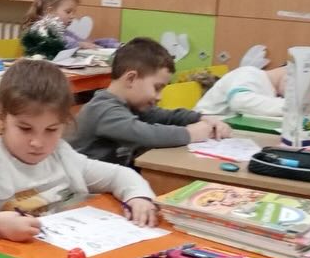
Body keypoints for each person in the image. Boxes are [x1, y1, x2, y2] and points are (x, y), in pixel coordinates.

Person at [0, 59, 157, 258]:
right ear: (1, 119)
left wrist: (138, 197)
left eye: (51, 130)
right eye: (25, 129)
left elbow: (118, 174)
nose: (38, 142)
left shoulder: (61, 154)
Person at [69, 37, 230, 165]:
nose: (159, 97)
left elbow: (166, 116)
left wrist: (202, 118)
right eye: (157, 88)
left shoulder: (132, 106)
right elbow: (145, 134)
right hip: (85, 190)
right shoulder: (103, 110)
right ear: (131, 79)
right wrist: (190, 133)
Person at [21, 0, 113, 49]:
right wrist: (80, 45)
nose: (73, 16)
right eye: (68, 12)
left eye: (74, 12)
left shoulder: (63, 31)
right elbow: (59, 42)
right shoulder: (40, 29)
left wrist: (104, 43)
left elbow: (80, 40)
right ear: (50, 11)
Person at [194, 64, 287, 118]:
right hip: (201, 126)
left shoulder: (272, 91)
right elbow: (240, 102)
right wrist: (292, 107)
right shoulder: (249, 73)